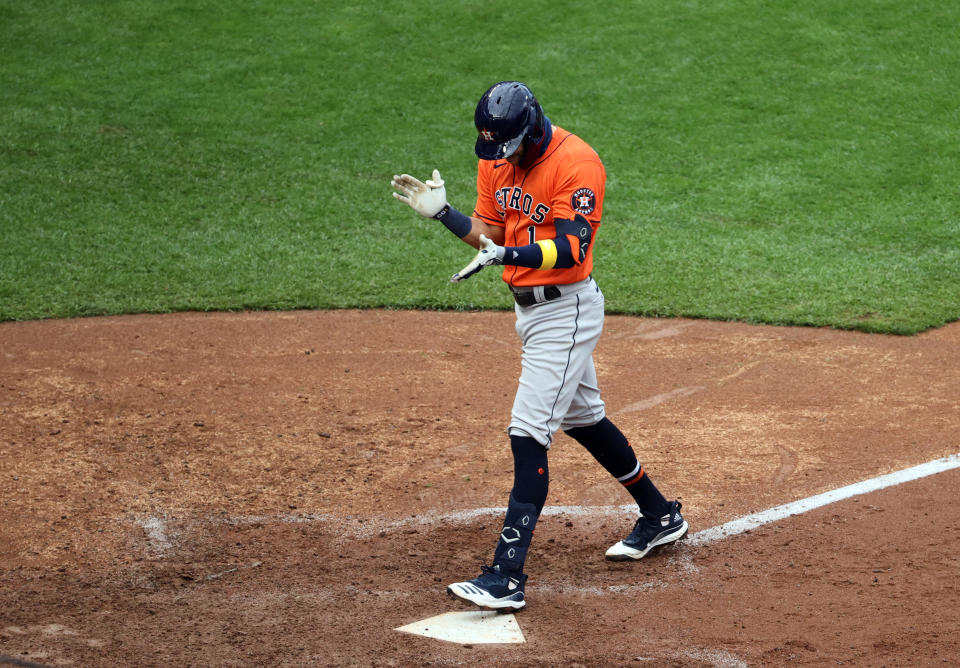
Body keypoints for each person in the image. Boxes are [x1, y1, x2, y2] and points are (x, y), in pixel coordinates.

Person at [390, 81, 686, 611]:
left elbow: (573, 247)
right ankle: (660, 515)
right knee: (584, 418)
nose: (505, 159)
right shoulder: (496, 158)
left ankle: (506, 576)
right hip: (529, 311)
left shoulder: (577, 163)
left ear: (533, 127)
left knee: (528, 432)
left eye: (512, 147)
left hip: (567, 307)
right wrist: (445, 215)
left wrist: (505, 255)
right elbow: (491, 235)